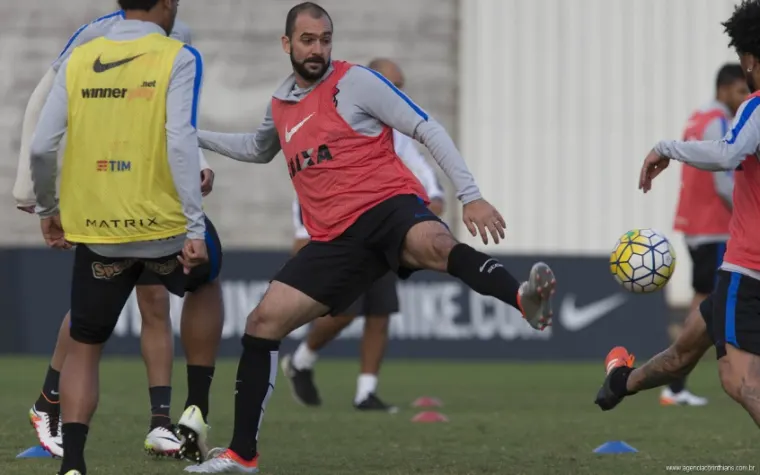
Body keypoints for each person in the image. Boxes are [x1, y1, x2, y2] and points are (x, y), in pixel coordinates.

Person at [187, 3, 556, 473]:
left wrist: (472, 197)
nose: (317, 48)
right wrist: (195, 137)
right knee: (262, 323)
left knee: (438, 247)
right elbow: (259, 150)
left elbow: (426, 127)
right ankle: (242, 455)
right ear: (287, 45)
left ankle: (523, 299)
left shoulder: (355, 82)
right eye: (307, 40)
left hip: (387, 207)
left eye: (324, 39)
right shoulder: (280, 106)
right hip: (334, 240)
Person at [16, 6, 221, 461]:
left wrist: (46, 205)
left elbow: (43, 142)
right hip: (158, 221)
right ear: (167, 5)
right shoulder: (172, 51)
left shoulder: (87, 54)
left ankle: (130, 436)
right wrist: (194, 218)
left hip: (102, 220)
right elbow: (179, 136)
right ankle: (194, 409)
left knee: (113, 325)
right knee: (205, 277)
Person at [595, 0, 760, 430]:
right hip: (740, 269)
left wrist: (667, 147)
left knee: (740, 382)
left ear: (748, 60)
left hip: (751, 268)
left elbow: (729, 154)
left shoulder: (755, 106)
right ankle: (620, 383)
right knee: (684, 350)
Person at [280, 58, 447, 413]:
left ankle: (365, 393)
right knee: (342, 312)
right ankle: (302, 361)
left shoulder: (397, 133)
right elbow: (311, 176)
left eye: (401, 87)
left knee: (380, 312)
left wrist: (425, 209)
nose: (400, 94)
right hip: (341, 232)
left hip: (381, 230)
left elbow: (428, 181)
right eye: (394, 86)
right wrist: (301, 230)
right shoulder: (340, 120)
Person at [665, 63, 749, 406]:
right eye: (741, 91)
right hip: (713, 226)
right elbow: (721, 182)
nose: (744, 97)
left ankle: (676, 383)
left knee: (704, 301)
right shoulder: (718, 121)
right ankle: (675, 384)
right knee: (707, 305)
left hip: (694, 224)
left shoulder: (696, 117)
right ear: (725, 89)